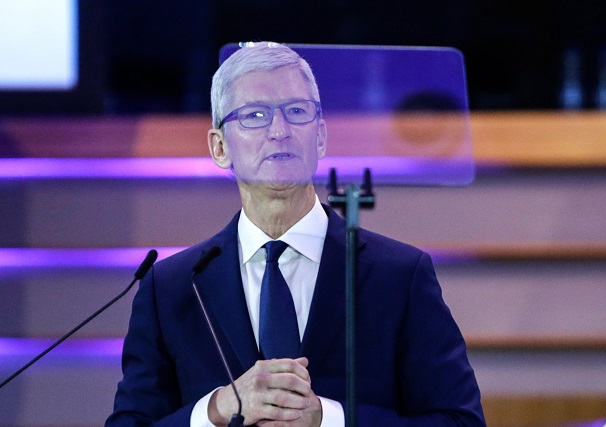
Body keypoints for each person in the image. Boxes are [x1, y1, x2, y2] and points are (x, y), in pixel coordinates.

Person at [105, 42, 485, 427]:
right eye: (255, 115)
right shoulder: (171, 288)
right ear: (220, 147)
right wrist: (218, 408)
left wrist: (329, 419)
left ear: (320, 136)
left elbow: (461, 421)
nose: (279, 131)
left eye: (296, 112)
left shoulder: (399, 275)